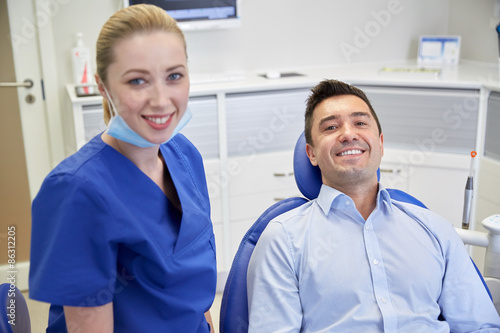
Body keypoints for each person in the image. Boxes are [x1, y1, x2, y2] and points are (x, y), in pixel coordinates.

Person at [247, 79, 500, 332]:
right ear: (311, 154)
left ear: (380, 143)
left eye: (360, 123)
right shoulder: (283, 240)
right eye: (331, 127)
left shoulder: (436, 230)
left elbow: (480, 326)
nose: (348, 134)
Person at [29, 4, 216, 332]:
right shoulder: (76, 191)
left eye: (174, 76)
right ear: (103, 87)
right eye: (137, 81)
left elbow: (195, 299)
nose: (160, 99)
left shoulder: (184, 155)